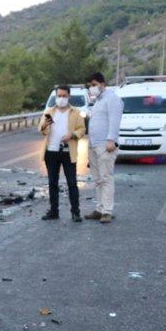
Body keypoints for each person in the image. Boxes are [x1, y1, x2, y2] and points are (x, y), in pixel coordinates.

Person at [39, 84, 86, 222]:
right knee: (52, 183)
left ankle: (75, 212)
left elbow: (82, 130)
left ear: (69, 96)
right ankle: (54, 211)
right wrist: (44, 126)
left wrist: (72, 135)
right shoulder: (49, 112)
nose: (61, 98)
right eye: (59, 96)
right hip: (51, 151)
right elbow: (41, 130)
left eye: (64, 96)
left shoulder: (75, 112)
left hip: (68, 152)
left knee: (72, 183)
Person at [84, 71, 123, 223]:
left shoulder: (112, 99)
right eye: (90, 86)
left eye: (94, 85)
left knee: (106, 177)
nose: (91, 88)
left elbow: (115, 120)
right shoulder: (98, 101)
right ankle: (99, 209)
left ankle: (107, 211)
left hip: (105, 145)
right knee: (98, 179)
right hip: (94, 145)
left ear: (102, 84)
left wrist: (111, 140)